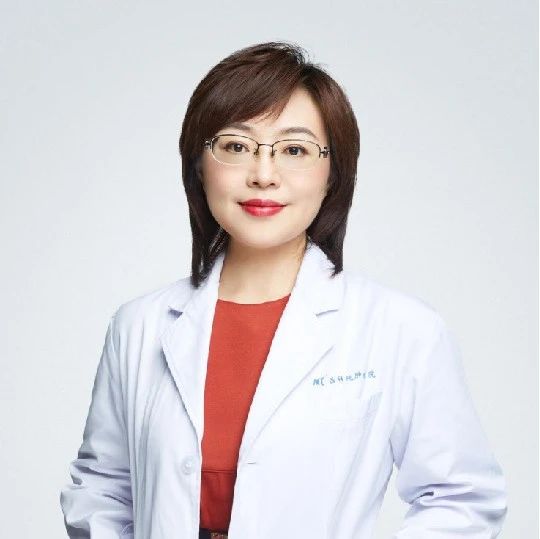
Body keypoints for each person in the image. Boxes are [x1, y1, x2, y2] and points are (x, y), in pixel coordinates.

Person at [59, 41, 508, 538]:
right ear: (199, 165)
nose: (263, 175)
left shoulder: (402, 330)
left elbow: (462, 499)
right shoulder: (138, 326)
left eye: (294, 150)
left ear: (333, 173)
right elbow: (101, 489)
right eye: (236, 146)